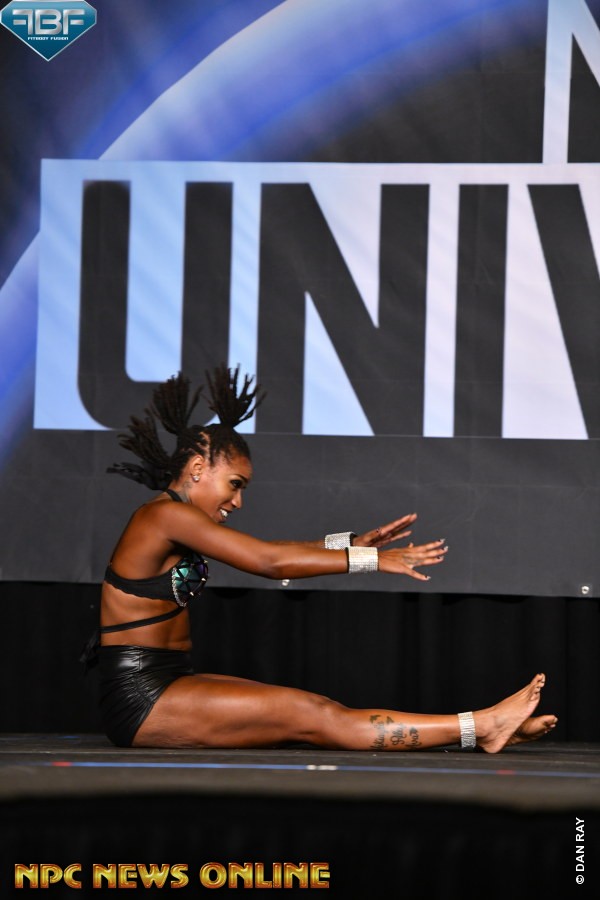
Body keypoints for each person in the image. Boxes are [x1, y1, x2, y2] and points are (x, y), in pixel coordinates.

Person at [88, 365, 557, 752]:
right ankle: (483, 725)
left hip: (167, 682)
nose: (238, 501)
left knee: (316, 709)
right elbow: (269, 561)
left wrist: (353, 543)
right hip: (142, 696)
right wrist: (372, 561)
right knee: (313, 716)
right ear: (197, 469)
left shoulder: (176, 518)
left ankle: (483, 730)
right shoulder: (166, 516)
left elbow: (274, 550)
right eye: (235, 484)